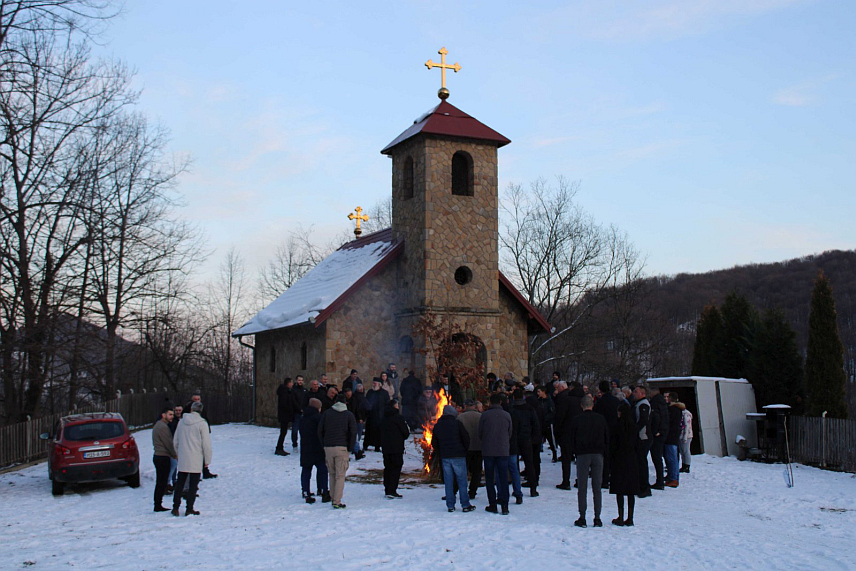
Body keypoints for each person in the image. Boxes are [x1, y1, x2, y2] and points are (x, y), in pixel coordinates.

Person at [569, 395, 609, 528]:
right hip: (598, 453)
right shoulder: (601, 419)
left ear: (581, 405)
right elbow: (606, 436)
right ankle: (597, 517)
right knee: (597, 487)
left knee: (582, 486)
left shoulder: (577, 419)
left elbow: (572, 437)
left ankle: (582, 516)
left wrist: (575, 451)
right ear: (592, 405)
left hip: (582, 454)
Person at [432, 405, 476, 513]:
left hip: (445, 457)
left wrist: (441, 452)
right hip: (459, 455)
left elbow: (434, 442)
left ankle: (450, 505)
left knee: (448, 481)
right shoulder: (457, 424)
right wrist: (464, 450)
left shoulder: (438, 426)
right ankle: (465, 504)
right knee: (462, 481)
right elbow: (466, 438)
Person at [172, 401, 212, 516]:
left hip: (184, 457)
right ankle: (189, 508)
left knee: (180, 483)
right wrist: (207, 460)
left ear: (191, 410)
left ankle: (175, 507)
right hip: (196, 457)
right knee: (193, 485)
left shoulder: (181, 422)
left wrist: (177, 453)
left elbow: (176, 441)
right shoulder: (202, 424)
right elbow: (206, 444)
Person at [318, 394, 357, 509]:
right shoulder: (349, 415)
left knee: (332, 473)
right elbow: (353, 432)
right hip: (342, 447)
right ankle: (337, 500)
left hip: (328, 447)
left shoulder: (326, 413)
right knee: (340, 475)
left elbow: (320, 430)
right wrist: (350, 448)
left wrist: (324, 445)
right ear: (346, 403)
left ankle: (332, 496)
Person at [479, 393, 512, 515]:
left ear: (490, 402)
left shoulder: (485, 415)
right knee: (503, 478)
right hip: (503, 450)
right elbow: (510, 432)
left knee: (489, 478)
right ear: (501, 402)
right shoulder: (507, 415)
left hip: (488, 450)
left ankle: (492, 504)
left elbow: (480, 432)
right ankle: (505, 505)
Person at [609, 401, 640, 526]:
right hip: (632, 459)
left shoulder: (616, 427)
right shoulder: (634, 428)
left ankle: (620, 516)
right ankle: (630, 517)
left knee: (619, 489)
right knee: (631, 490)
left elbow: (612, 445)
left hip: (619, 459)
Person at [511, 389, 540, 497]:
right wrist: (535, 437)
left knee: (515, 465)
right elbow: (535, 424)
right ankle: (533, 488)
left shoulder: (512, 409)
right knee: (529, 463)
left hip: (514, 439)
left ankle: (517, 489)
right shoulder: (530, 409)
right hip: (527, 438)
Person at [554, 381, 583, 490]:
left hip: (567, 432)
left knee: (566, 458)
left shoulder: (566, 400)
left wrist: (557, 431)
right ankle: (580, 480)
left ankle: (566, 481)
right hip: (581, 433)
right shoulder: (583, 401)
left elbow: (560, 416)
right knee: (580, 458)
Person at [299, 398, 329, 504]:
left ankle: (305, 490)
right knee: (322, 469)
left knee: (306, 470)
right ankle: (323, 489)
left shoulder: (303, 417)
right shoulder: (319, 418)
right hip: (318, 447)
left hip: (306, 447)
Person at [593, 380, 620, 488]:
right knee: (613, 455)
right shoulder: (616, 401)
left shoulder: (600, 402)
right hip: (615, 430)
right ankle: (613, 477)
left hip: (603, 430)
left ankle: (604, 479)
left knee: (604, 456)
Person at [380, 399, 409, 498]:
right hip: (396, 447)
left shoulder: (384, 418)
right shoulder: (398, 418)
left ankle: (387, 488)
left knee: (388, 467)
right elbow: (405, 433)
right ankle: (392, 490)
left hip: (386, 447)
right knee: (396, 468)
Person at [184, 391, 217, 479]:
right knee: (196, 453)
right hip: (194, 434)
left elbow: (205, 419)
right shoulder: (189, 408)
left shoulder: (201, 407)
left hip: (202, 431)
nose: (197, 401)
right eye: (195, 399)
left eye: (198, 399)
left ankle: (205, 471)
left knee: (202, 451)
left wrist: (207, 429)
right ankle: (196, 473)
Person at [152, 406, 177, 512]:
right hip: (162, 457)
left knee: (161, 482)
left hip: (160, 456)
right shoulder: (162, 427)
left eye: (173, 415)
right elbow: (168, 443)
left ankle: (158, 504)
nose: (172, 417)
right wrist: (174, 454)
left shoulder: (159, 425)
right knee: (161, 482)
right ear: (163, 415)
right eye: (170, 414)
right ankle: (158, 505)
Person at [457, 399, 482, 500]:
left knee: (462, 471)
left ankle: (460, 490)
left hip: (465, 448)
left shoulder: (460, 417)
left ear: (465, 406)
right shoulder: (481, 416)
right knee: (477, 471)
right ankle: (473, 491)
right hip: (479, 447)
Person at [632, 385, 653, 498]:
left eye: (636, 392)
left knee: (642, 462)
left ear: (642, 393)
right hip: (641, 436)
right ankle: (641, 485)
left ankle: (645, 487)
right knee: (639, 462)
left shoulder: (643, 405)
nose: (634, 393)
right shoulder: (637, 404)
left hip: (643, 437)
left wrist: (634, 430)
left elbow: (643, 420)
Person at [648, 387, 670, 490]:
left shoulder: (655, 403)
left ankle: (659, 481)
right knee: (658, 458)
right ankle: (660, 480)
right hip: (663, 432)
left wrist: (655, 430)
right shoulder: (663, 403)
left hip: (657, 433)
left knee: (656, 457)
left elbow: (656, 417)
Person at [275, 377, 300, 456]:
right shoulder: (284, 392)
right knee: (283, 432)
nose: (292, 384)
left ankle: (279, 447)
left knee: (283, 432)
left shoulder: (286, 391)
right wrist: (290, 411)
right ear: (288, 383)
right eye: (291, 383)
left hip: (285, 414)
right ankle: (279, 448)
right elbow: (285, 404)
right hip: (284, 415)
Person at [365, 378, 390, 451]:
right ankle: (366, 445)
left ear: (379, 384)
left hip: (380, 416)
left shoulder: (384, 393)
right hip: (371, 415)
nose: (374, 384)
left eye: (375, 383)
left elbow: (387, 404)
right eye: (373, 383)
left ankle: (377, 446)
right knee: (369, 432)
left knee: (378, 432)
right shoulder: (370, 392)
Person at [664, 392, 683, 487]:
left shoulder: (673, 410)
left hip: (671, 436)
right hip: (674, 435)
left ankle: (674, 478)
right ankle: (673, 477)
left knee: (672, 458)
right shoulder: (679, 409)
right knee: (672, 458)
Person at [346, 383, 370, 460]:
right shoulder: (344, 401)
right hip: (346, 421)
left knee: (355, 436)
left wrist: (360, 418)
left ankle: (357, 451)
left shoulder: (354, 400)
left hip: (353, 419)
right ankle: (355, 451)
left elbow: (356, 410)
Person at [536, 385, 557, 463]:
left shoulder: (549, 401)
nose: (538, 393)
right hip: (540, 423)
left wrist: (546, 418)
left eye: (539, 392)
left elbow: (552, 412)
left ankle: (554, 454)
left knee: (551, 440)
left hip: (547, 424)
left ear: (543, 392)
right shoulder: (538, 401)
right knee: (538, 440)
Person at [167, 404, 183, 492]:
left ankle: (175, 480)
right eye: (176, 410)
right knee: (173, 464)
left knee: (177, 464)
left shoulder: (183, 420)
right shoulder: (172, 422)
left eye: (179, 410)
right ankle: (169, 482)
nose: (178, 412)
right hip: (173, 445)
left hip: (181, 445)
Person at [679, 398, 694, 474]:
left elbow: (686, 426)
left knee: (686, 451)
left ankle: (687, 465)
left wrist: (685, 436)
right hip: (681, 435)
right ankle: (683, 464)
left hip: (686, 435)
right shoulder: (681, 414)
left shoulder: (686, 414)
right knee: (682, 451)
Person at [292, 375, 306, 448]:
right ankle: (294, 444)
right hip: (296, 413)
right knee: (295, 430)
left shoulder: (305, 390)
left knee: (303, 431)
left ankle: (303, 445)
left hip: (304, 413)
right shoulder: (293, 390)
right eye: (299, 380)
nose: (300, 382)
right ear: (296, 381)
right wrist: (299, 409)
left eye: (301, 380)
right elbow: (293, 401)